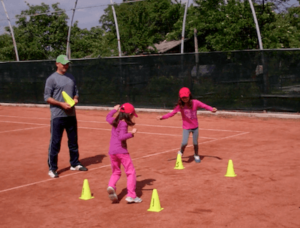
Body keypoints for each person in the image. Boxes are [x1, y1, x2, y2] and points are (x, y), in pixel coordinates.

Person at [44, 54, 87, 178]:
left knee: (73, 141)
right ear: (57, 63)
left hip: (71, 115)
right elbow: (47, 97)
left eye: (67, 63)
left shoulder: (71, 77)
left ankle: (75, 164)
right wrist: (61, 104)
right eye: (63, 64)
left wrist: (75, 99)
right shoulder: (51, 79)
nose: (66, 66)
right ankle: (52, 168)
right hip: (58, 116)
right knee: (55, 143)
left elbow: (76, 93)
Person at [157, 87, 217, 163]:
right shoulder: (180, 106)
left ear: (189, 95)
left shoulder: (195, 102)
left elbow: (204, 106)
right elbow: (172, 113)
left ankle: (196, 155)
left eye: (186, 97)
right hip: (186, 127)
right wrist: (162, 117)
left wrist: (211, 109)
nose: (185, 99)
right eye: (183, 98)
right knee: (184, 142)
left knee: (195, 143)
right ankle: (181, 152)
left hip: (195, 127)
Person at [106, 103, 142, 203]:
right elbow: (121, 137)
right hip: (121, 151)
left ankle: (111, 186)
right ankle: (131, 196)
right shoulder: (123, 123)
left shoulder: (114, 121)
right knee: (131, 172)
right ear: (129, 114)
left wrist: (114, 110)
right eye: (131, 115)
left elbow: (107, 117)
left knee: (116, 172)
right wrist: (132, 133)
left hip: (112, 151)